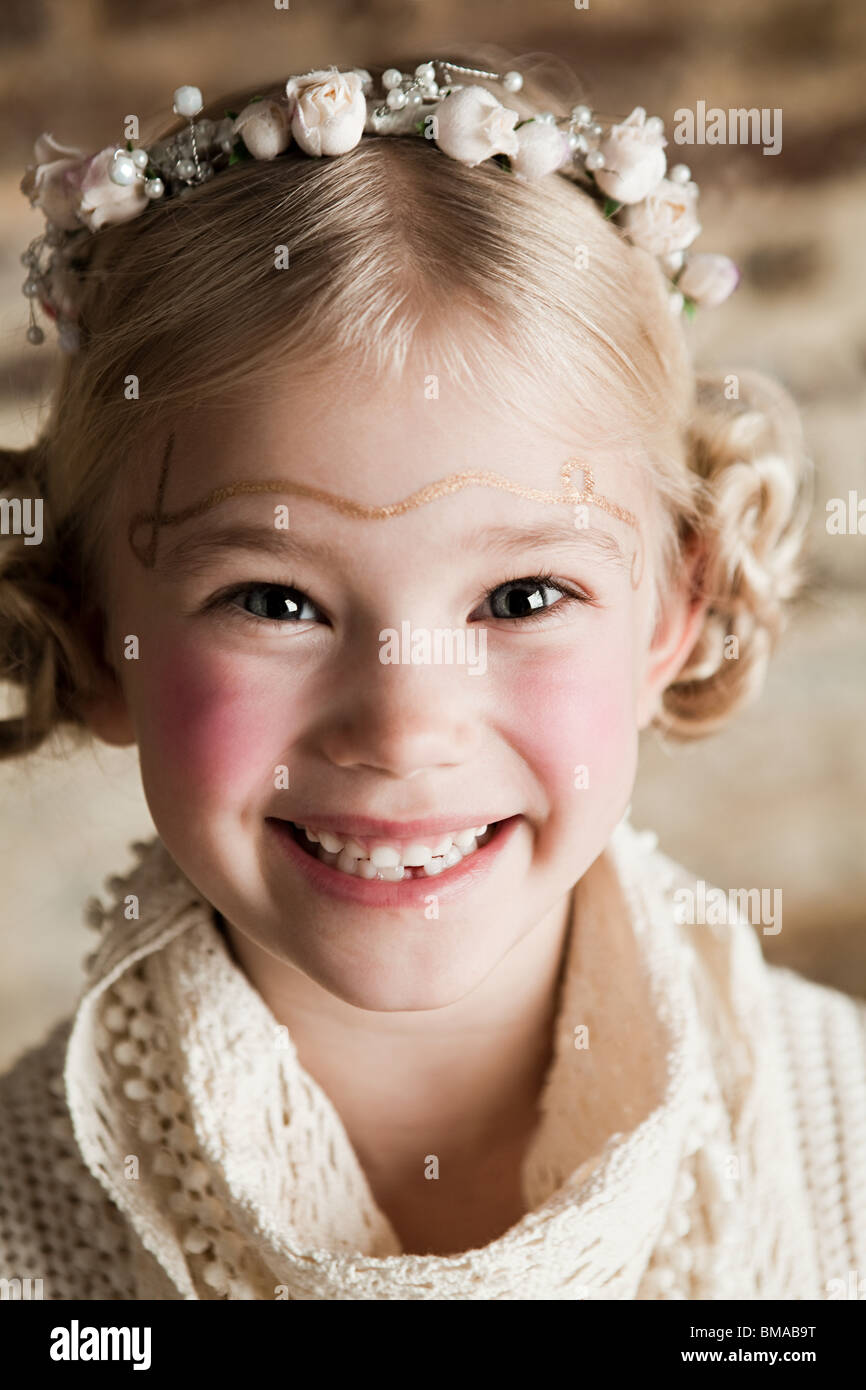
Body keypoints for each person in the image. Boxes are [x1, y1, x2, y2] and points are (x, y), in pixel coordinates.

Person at [0, 50, 862, 1301]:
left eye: (521, 598)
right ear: (91, 640)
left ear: (677, 608)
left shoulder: (839, 1147)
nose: (404, 729)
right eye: (273, 600)